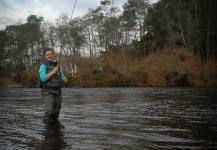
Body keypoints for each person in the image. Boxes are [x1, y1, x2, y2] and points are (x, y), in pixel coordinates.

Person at [39, 47, 67, 123]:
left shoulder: (58, 66)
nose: (49, 56)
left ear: (53, 55)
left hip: (58, 91)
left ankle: (54, 127)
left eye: (51, 54)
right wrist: (53, 72)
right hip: (47, 91)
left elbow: (62, 75)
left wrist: (64, 78)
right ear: (44, 56)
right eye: (47, 55)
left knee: (57, 111)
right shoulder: (43, 66)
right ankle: (46, 128)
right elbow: (43, 78)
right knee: (49, 111)